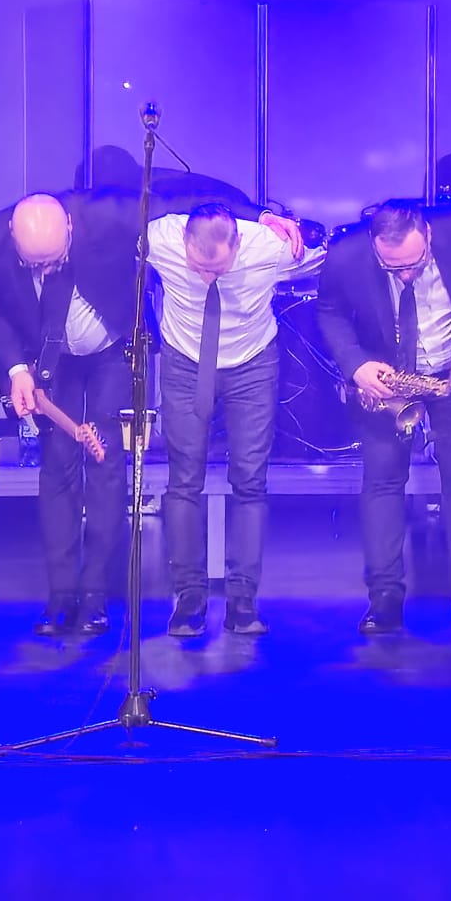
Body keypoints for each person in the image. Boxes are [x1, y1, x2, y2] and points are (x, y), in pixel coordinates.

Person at [0, 180, 297, 637]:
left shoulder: (106, 214)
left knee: (105, 461)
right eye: (36, 265)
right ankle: (60, 596)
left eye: (55, 259)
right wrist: (15, 367)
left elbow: (185, 198)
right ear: (11, 234)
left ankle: (95, 595)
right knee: (58, 466)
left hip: (111, 350)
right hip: (47, 357)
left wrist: (259, 214)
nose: (47, 270)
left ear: (69, 226)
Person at [315, 200, 451, 637]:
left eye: (414, 264)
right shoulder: (347, 254)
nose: (405, 276)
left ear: (428, 236)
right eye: (393, 267)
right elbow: (329, 311)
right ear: (375, 247)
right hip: (386, 376)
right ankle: (383, 601)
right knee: (382, 482)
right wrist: (356, 365)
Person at [145, 202, 321, 637]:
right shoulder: (160, 237)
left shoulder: (268, 248)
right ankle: (188, 597)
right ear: (184, 242)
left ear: (238, 245)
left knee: (250, 480)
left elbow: (326, 248)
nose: (207, 277)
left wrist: (294, 227)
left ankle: (243, 600)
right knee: (183, 481)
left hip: (252, 365)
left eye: (218, 270)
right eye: (199, 268)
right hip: (185, 362)